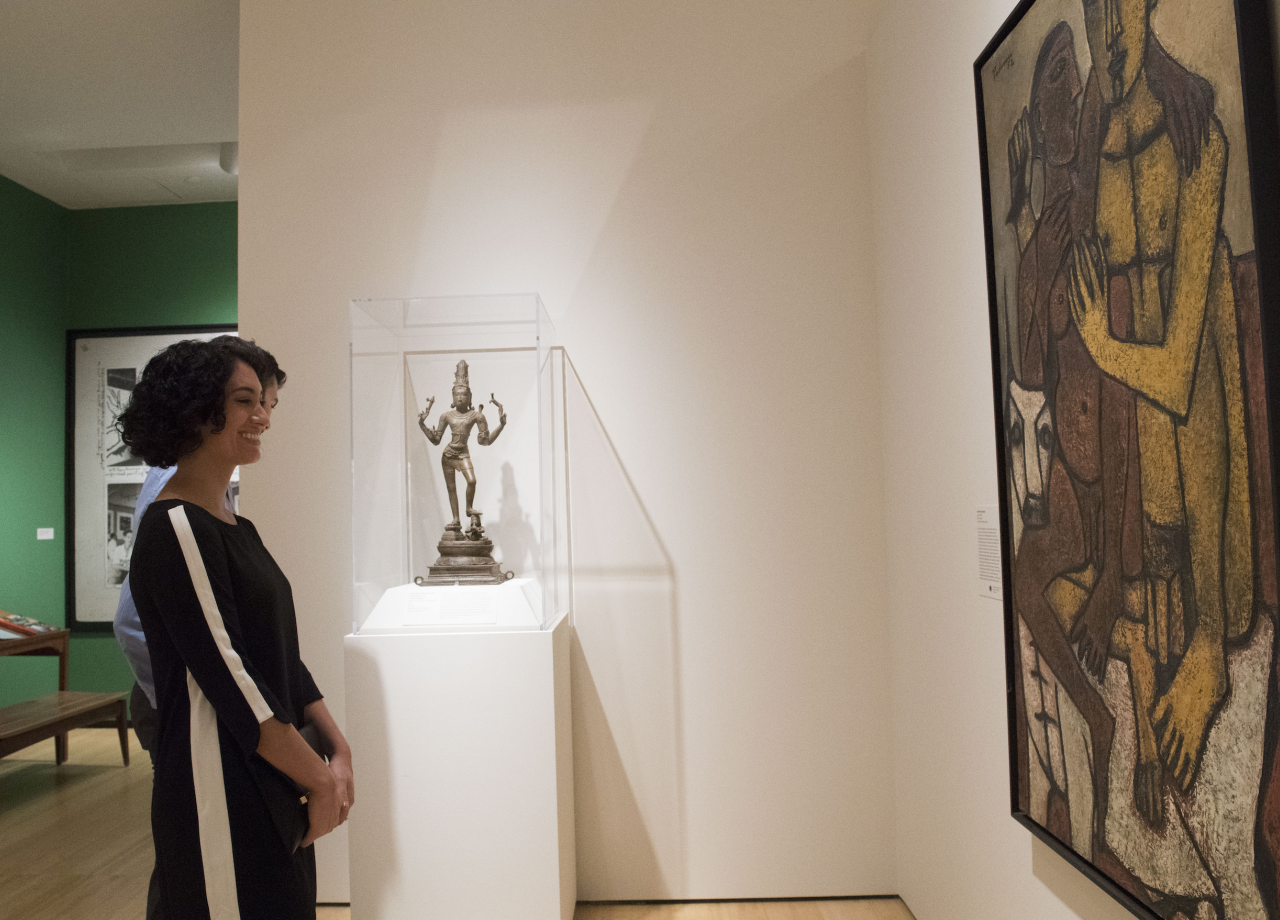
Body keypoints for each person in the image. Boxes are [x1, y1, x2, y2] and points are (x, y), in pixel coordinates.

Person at [118, 336, 353, 920]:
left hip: (266, 775)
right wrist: (320, 781)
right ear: (198, 409)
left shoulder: (232, 524)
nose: (263, 418)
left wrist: (336, 745)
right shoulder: (176, 526)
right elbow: (232, 680)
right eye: (246, 401)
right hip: (217, 784)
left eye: (266, 402)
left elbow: (276, 651)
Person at [417, 359, 506, 530]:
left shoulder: (476, 416)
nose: (460, 397)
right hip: (448, 456)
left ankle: (468, 508)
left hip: (463, 454)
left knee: (472, 481)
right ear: (452, 396)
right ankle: (456, 520)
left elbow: (484, 441)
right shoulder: (446, 416)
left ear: (470, 397)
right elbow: (436, 440)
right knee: (452, 489)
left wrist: (501, 425)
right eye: (457, 394)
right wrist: (422, 424)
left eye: (463, 394)